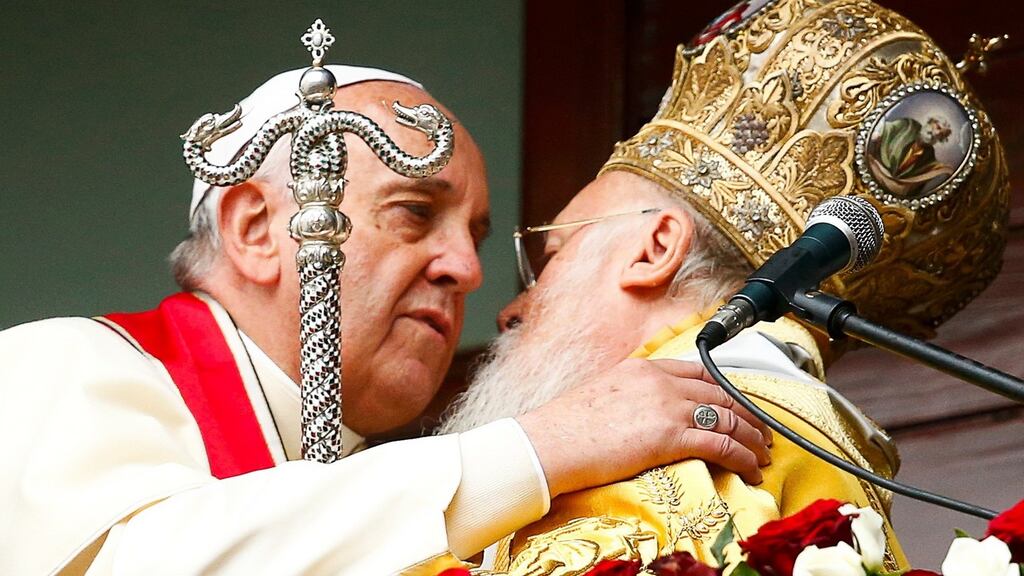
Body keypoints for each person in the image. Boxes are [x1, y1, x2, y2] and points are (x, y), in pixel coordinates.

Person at [0, 58, 776, 574]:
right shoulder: (58, 365)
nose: (466, 270)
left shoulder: (374, 473)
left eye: (473, 236)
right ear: (256, 230)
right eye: (412, 213)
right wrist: (539, 448)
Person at [438, 1, 1010, 573]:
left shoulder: (683, 446)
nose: (512, 311)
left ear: (653, 248)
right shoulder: (813, 447)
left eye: (552, 256)